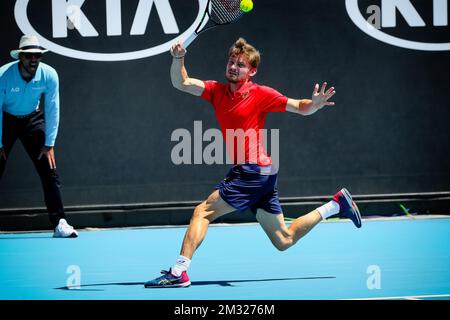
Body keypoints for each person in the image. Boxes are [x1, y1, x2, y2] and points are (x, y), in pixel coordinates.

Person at [144, 38, 361, 288]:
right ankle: (336, 205)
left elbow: (298, 107)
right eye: (231, 62)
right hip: (262, 173)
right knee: (284, 239)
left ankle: (179, 272)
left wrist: (314, 104)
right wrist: (178, 58)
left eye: (241, 65)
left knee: (202, 212)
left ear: (252, 71)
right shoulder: (216, 91)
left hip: (253, 171)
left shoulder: (261, 94)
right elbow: (181, 82)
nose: (233, 67)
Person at [0, 35, 78, 238]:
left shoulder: (49, 75)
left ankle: (59, 223)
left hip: (31, 120)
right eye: (29, 56)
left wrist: (49, 143)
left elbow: (53, 109)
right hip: (5, 119)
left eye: (37, 56)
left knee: (49, 169)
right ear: (20, 57)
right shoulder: (3, 76)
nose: (33, 59)